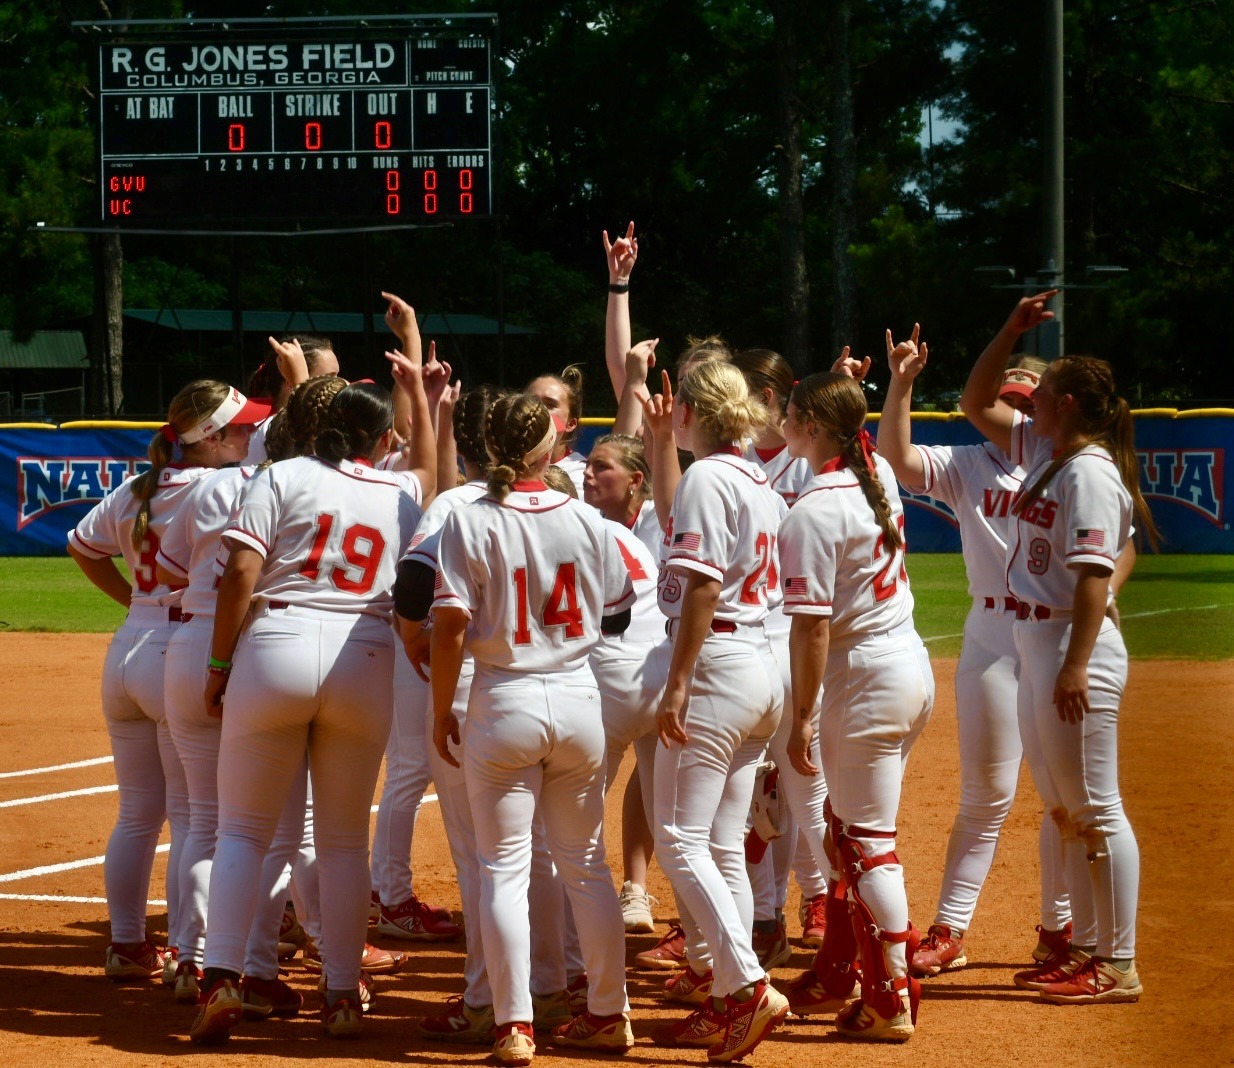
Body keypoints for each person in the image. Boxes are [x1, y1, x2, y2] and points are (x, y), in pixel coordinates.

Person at [189, 294, 432, 1044]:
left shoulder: (281, 474)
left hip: (279, 641)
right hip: (365, 651)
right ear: (377, 438)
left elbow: (240, 573)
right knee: (344, 842)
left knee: (243, 831)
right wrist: (421, 389)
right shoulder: (400, 490)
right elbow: (428, 470)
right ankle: (342, 994)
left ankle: (223, 977)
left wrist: (219, 664)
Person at [427, 391, 635, 1066]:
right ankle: (608, 1012)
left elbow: (449, 626)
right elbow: (617, 613)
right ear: (550, 448)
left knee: (503, 871)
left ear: (490, 446)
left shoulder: (470, 518)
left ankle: (514, 1024)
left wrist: (440, 709)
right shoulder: (587, 517)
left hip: (503, 696)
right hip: (576, 697)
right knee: (587, 867)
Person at [960, 290, 1155, 1004]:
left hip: (1073, 648)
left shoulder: (1089, 471)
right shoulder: (1050, 452)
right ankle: (1088, 948)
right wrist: (1009, 329)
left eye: (1041, 393)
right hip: (1037, 639)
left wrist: (1074, 665)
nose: (1030, 400)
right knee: (1067, 808)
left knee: (1097, 806)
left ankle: (1118, 962)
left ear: (1066, 404)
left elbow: (1097, 575)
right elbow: (975, 401)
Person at [876, 327, 1073, 976]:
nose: (1012, 413)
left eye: (1025, 403)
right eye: (1006, 400)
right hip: (992, 636)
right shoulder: (968, 463)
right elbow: (896, 459)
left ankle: (1060, 930)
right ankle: (950, 928)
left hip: (1055, 631)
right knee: (985, 794)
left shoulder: (1069, 466)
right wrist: (900, 385)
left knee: (1062, 794)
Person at [67, 380, 269, 982]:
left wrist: (134, 601)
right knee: (195, 817)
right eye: (239, 427)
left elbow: (82, 547)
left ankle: (128, 945)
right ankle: (191, 956)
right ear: (211, 438)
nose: (249, 433)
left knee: (136, 814)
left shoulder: (139, 486)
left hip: (129, 647)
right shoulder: (222, 486)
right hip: (176, 650)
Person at [777, 371, 934, 1041]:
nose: (781, 421)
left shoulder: (813, 509)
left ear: (811, 426)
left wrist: (802, 716)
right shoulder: (875, 476)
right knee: (847, 831)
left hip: (864, 679)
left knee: (866, 844)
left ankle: (891, 999)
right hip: (905, 663)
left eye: (790, 412)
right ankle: (839, 968)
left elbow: (811, 630)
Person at [641, 360, 791, 1061]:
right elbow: (684, 525)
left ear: (693, 413)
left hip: (718, 663)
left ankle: (747, 984)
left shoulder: (709, 477)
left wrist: (678, 683)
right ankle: (730, 990)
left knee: (678, 837)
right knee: (723, 843)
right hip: (759, 662)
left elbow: (700, 587)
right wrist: (659, 444)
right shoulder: (757, 477)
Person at [581, 432, 664, 933]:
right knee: (676, 820)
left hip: (619, 674)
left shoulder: (657, 520)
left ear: (636, 480)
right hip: (663, 671)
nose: (588, 474)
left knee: (572, 810)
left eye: (601, 466)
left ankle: (571, 928)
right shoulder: (622, 531)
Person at [526, 366, 587, 494]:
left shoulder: (583, 474)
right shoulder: (500, 465)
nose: (537, 409)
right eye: (530, 401)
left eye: (550, 404)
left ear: (570, 423)